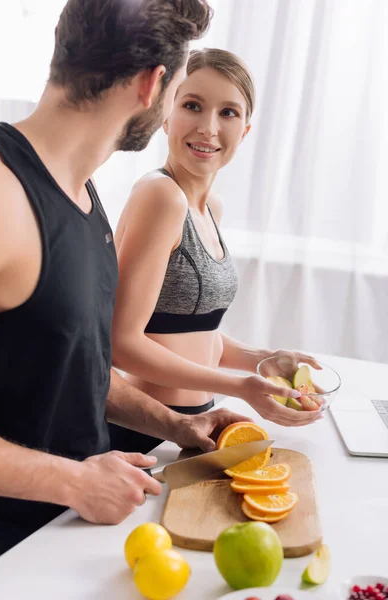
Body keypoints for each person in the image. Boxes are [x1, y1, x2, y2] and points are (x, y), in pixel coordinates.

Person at [0, 0, 254, 563]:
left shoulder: (84, 195)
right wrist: (69, 481)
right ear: (153, 85)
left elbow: (74, 367)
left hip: (63, 537)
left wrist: (180, 425)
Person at [110, 48, 322, 454]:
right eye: (192, 105)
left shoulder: (209, 208)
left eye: (228, 112)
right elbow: (122, 343)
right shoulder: (161, 196)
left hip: (197, 421)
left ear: (244, 130)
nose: (209, 128)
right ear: (165, 115)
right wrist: (242, 387)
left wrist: (262, 361)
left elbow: (188, 335)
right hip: (148, 429)